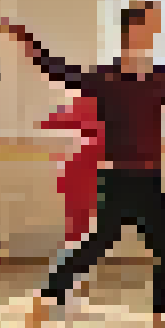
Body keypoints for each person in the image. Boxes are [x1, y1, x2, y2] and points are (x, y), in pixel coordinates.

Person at [5, 2, 165, 328]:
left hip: (149, 180)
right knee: (96, 245)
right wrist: (24, 39)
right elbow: (58, 71)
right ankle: (44, 297)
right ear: (134, 29)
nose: (157, 29)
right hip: (116, 178)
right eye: (152, 22)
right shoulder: (105, 78)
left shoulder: (160, 77)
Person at [42, 89, 105, 246]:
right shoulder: (88, 106)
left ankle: (77, 238)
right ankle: (79, 237)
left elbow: (60, 120)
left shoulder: (88, 107)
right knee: (82, 204)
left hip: (84, 163)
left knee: (80, 204)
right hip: (84, 163)